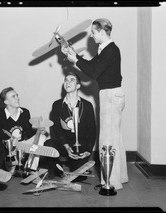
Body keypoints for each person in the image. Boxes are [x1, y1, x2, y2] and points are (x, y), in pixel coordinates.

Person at [61, 18, 128, 190]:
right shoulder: (105, 49)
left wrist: (75, 59)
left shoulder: (111, 49)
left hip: (110, 95)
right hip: (110, 94)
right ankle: (118, 177)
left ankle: (111, 183)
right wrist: (73, 55)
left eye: (93, 32)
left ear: (101, 31)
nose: (91, 35)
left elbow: (93, 72)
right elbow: (91, 64)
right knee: (115, 138)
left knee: (108, 139)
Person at [45, 72, 96, 180]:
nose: (67, 82)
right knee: (48, 143)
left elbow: (92, 130)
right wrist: (66, 146)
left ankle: (74, 166)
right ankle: (57, 168)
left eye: (71, 80)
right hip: (64, 144)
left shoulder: (87, 105)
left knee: (78, 178)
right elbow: (56, 129)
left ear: (78, 86)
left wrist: (88, 150)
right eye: (66, 80)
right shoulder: (57, 105)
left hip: (80, 146)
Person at [0, 87, 47, 175]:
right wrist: (9, 140)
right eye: (13, 96)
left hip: (23, 145)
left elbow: (29, 132)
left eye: (17, 95)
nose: (17, 98)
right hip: (10, 149)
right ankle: (14, 165)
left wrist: (38, 131)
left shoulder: (25, 112)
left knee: (41, 137)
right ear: (6, 102)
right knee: (11, 171)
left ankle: (31, 168)